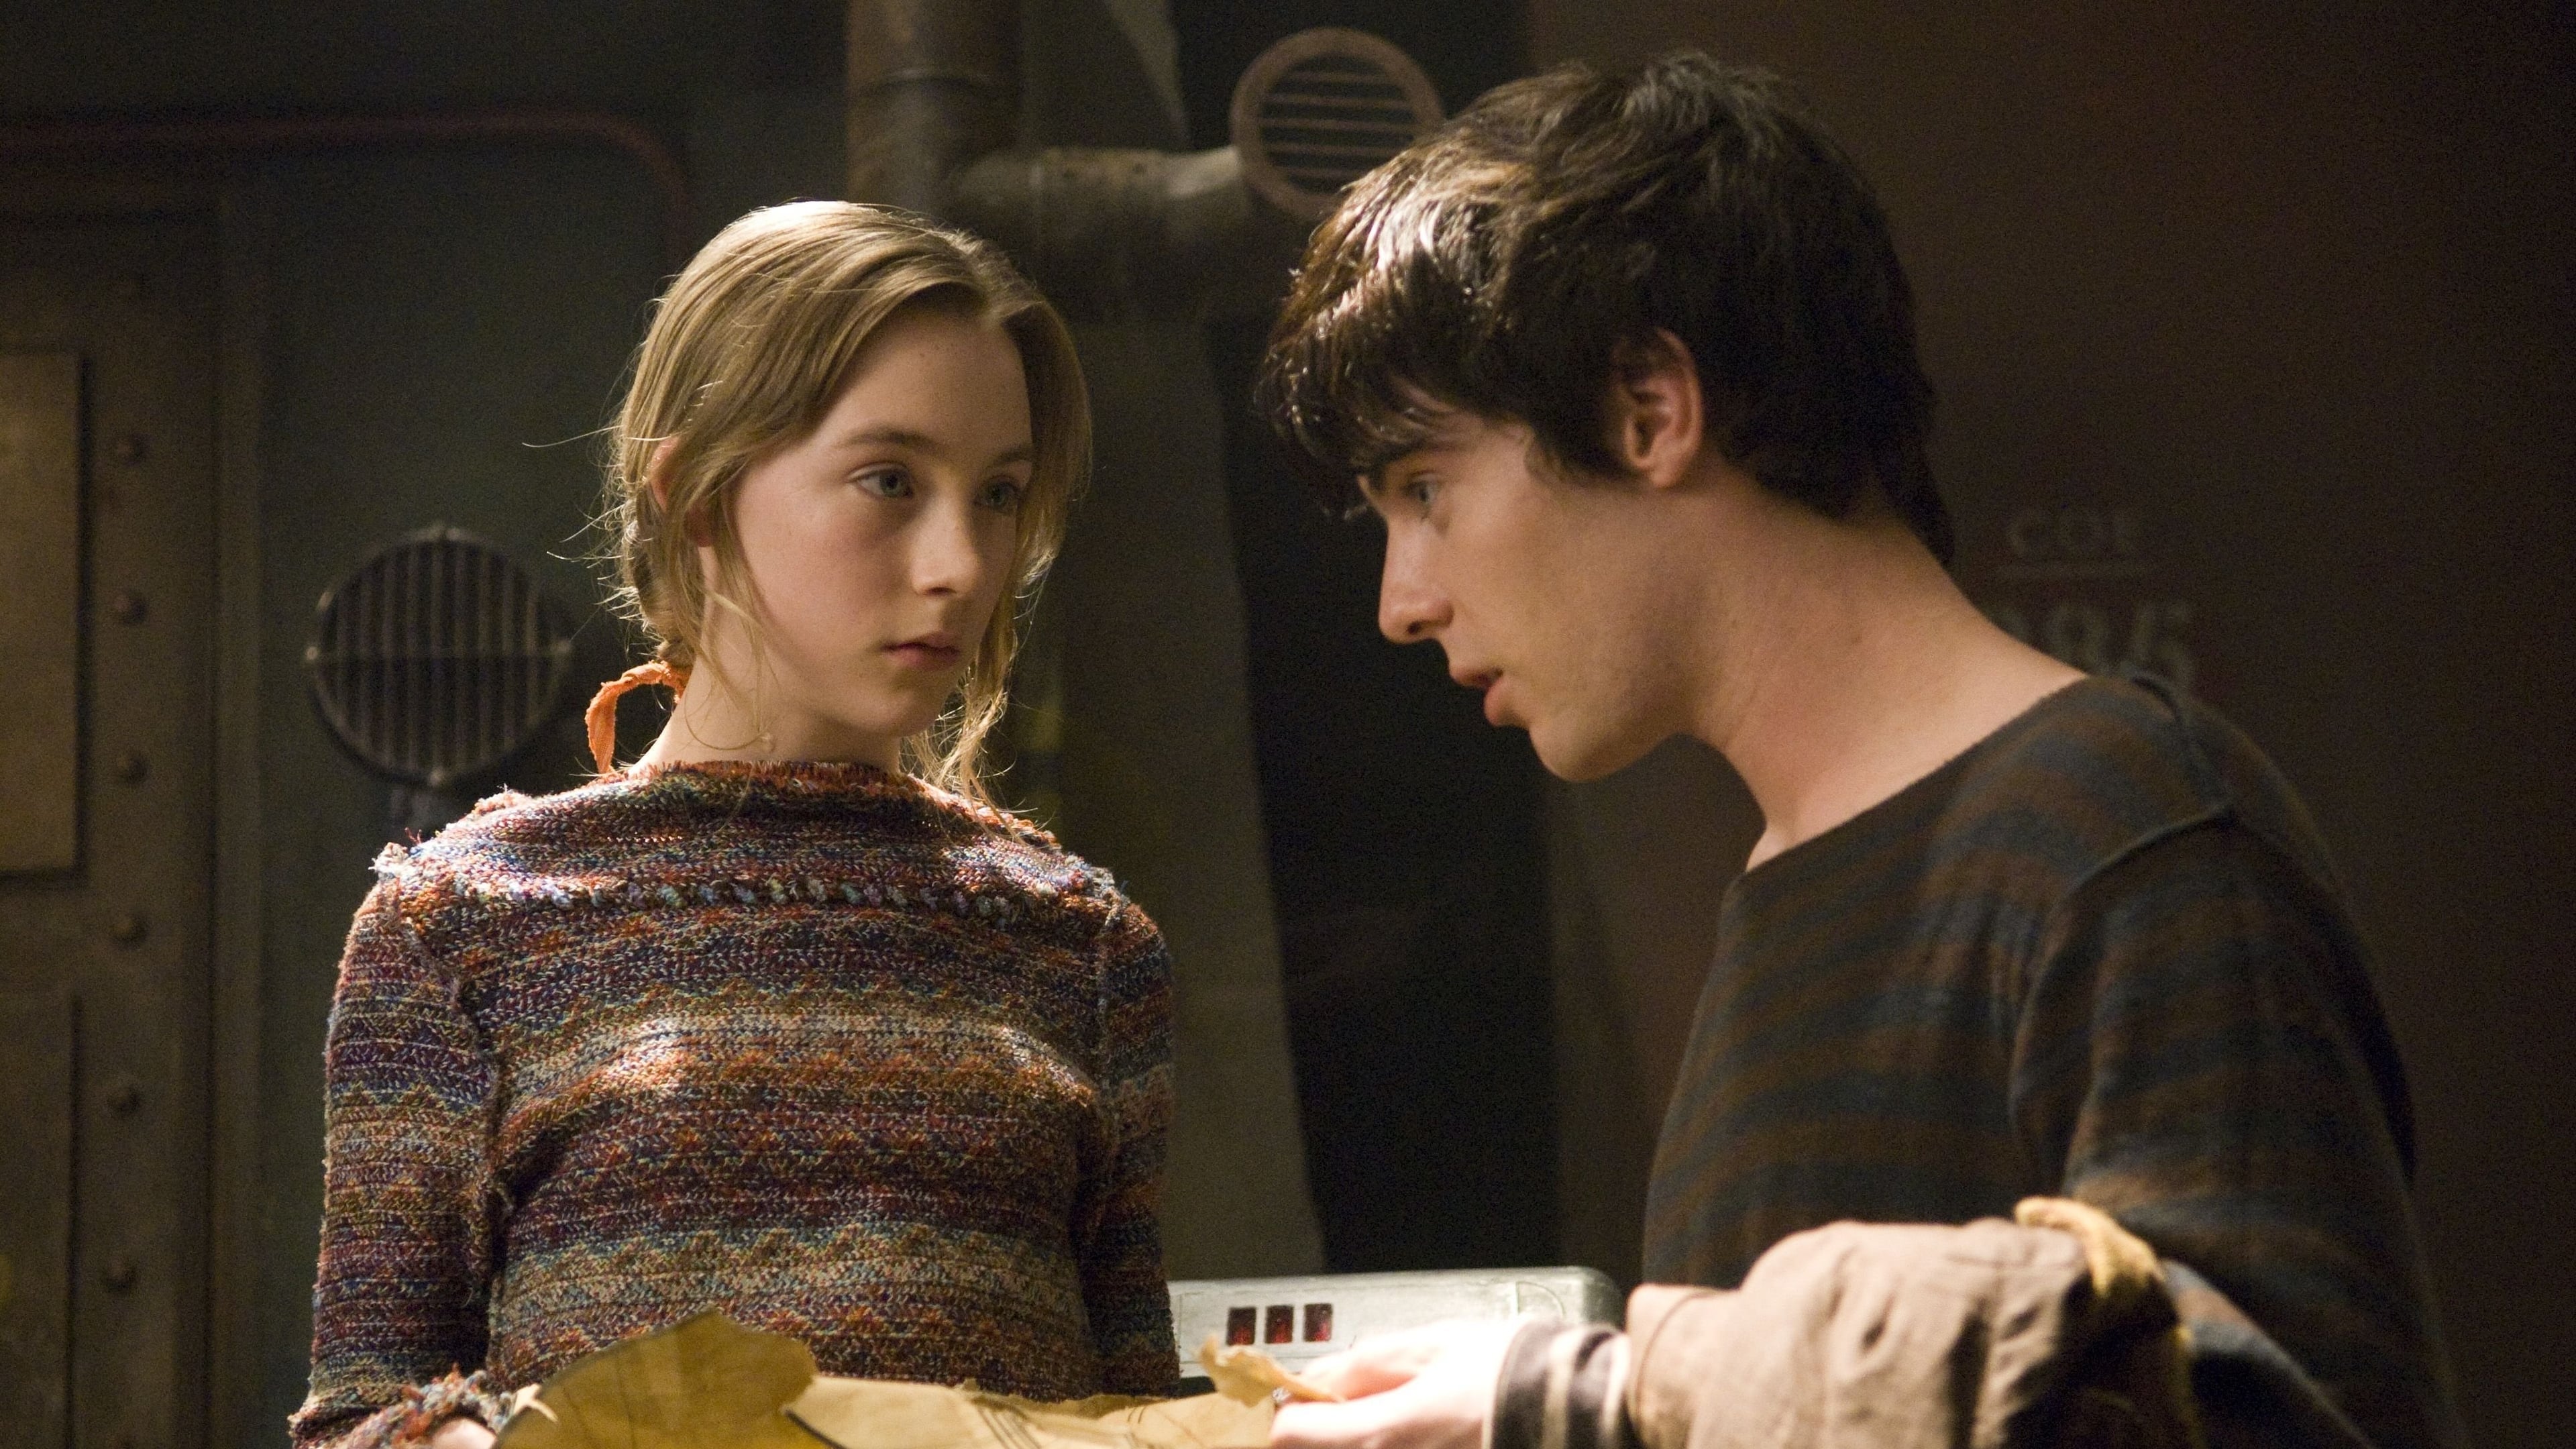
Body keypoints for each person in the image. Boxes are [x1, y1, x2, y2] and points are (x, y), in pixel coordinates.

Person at [1254, 54, 2460, 1449]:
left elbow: (2269, 1416)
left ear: (1647, 410)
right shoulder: (1791, 889)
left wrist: (1595, 1398)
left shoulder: (2132, 831)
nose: (1401, 601)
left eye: (1426, 488)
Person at [290, 202, 1178, 1449]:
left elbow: (1139, 1415)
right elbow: (361, 1418)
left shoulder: (1080, 946)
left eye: (998, 494)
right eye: (890, 480)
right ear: (698, 498)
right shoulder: (462, 928)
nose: (962, 564)